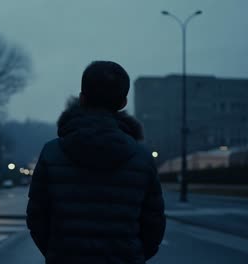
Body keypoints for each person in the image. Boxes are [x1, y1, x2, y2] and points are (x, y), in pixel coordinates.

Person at [26, 61, 166, 263]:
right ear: (123, 103)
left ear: (82, 99)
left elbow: (37, 218)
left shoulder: (52, 152)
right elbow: (154, 224)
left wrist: (57, 253)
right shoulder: (142, 157)